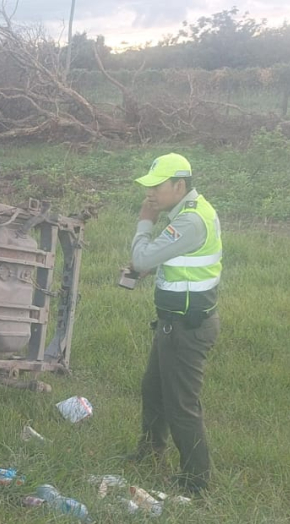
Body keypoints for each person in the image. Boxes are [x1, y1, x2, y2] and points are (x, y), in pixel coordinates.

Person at [124, 153, 222, 495]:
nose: (150, 194)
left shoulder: (190, 221)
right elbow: (166, 259)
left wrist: (144, 221)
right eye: (147, 187)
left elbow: (140, 258)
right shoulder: (185, 213)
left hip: (187, 327)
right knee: (153, 390)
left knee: (182, 405)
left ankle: (196, 483)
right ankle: (150, 452)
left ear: (179, 186)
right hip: (173, 323)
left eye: (156, 187)